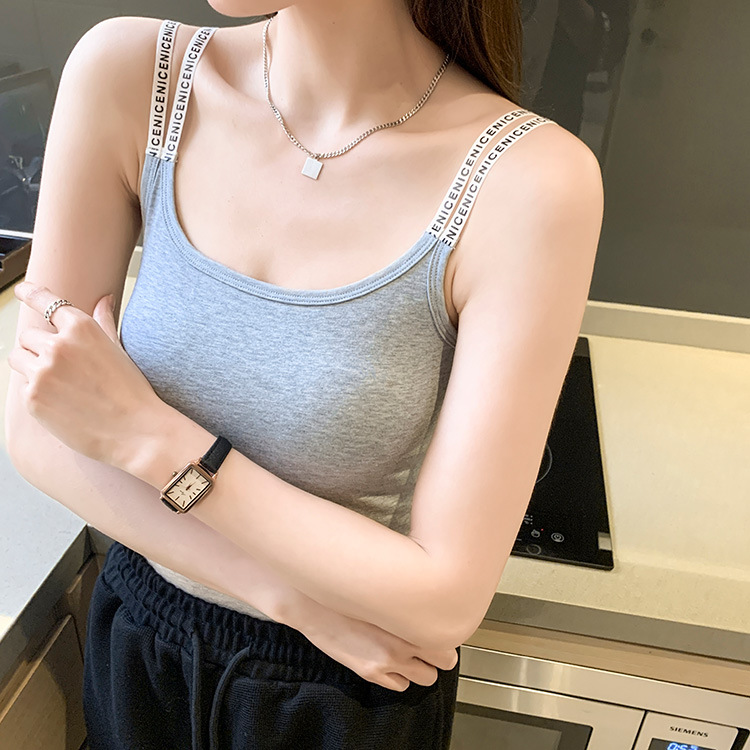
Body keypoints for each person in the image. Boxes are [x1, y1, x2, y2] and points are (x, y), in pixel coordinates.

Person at [5, 1, 604, 748]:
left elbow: (445, 598)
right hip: (145, 643)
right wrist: (287, 599)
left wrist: (149, 437)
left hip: (341, 696)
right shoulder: (132, 77)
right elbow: (38, 429)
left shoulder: (530, 180)